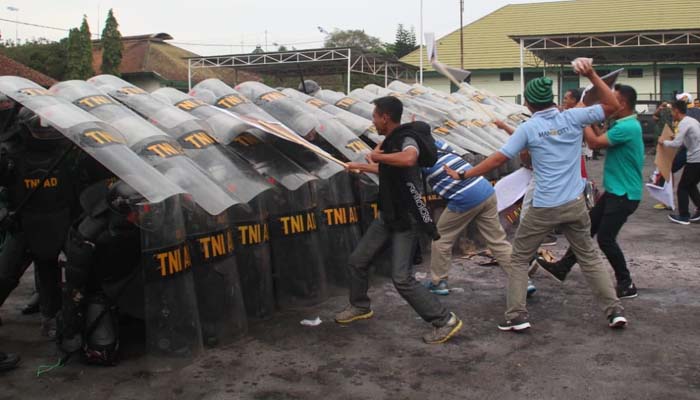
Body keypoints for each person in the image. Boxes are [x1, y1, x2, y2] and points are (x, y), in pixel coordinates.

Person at [445, 61, 628, 330]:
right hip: (575, 203)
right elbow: (613, 106)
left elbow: (497, 159)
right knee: (589, 257)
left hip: (544, 205)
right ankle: (614, 312)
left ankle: (516, 316)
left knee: (518, 259)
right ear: (552, 100)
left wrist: (464, 175)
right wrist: (591, 74)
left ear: (529, 104)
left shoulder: (528, 129)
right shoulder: (572, 117)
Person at [335, 96, 463, 344]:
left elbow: (408, 159)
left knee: (401, 278)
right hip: (389, 215)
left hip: (407, 217)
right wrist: (359, 166)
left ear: (385, 117)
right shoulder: (390, 142)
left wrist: (377, 157)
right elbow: (389, 168)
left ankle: (444, 320)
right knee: (357, 261)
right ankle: (360, 306)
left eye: (375, 116)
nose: (373, 122)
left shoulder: (406, 138)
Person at [534, 84, 645, 300]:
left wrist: (579, 117)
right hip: (616, 191)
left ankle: (626, 282)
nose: (607, 103)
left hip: (624, 194)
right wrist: (588, 116)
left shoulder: (627, 127)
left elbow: (594, 143)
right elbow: (602, 137)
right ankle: (563, 267)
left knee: (605, 239)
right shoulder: (625, 124)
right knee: (586, 230)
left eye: (612, 99)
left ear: (622, 104)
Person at [0, 108, 79, 338]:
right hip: (24, 221)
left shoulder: (69, 154)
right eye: (40, 128)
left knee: (54, 272)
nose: (45, 131)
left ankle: (53, 316)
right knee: (5, 274)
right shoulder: (11, 155)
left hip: (61, 220)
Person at [661, 100, 700, 224]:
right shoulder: (692, 120)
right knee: (691, 185)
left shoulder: (683, 123)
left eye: (672, 111)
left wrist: (663, 142)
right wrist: (676, 138)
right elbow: (686, 140)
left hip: (695, 159)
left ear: (676, 110)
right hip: (698, 157)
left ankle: (684, 216)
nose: (671, 113)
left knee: (682, 187)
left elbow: (676, 144)